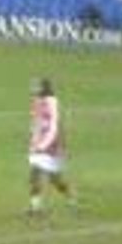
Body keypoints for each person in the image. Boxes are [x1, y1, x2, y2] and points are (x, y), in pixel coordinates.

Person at [28, 78, 74, 216]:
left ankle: (70, 197)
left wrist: (44, 145)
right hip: (38, 145)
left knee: (54, 179)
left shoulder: (52, 103)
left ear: (44, 88)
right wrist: (34, 141)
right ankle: (35, 207)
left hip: (50, 146)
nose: (35, 89)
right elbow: (37, 123)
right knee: (34, 174)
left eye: (38, 87)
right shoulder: (37, 102)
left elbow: (54, 126)